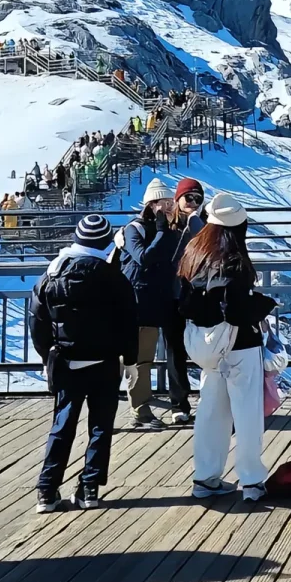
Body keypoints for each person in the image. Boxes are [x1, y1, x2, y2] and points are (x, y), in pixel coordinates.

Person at [29, 212, 139, 512]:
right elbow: (129, 322)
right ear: (105, 243)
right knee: (101, 425)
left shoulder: (53, 272)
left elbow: (37, 320)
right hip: (104, 361)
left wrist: (47, 355)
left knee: (62, 423)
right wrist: (130, 359)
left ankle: (47, 490)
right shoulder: (113, 275)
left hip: (65, 360)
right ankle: (89, 488)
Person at [178, 193, 275, 503]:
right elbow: (236, 311)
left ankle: (205, 477)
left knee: (211, 413)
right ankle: (252, 481)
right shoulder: (234, 260)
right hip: (240, 344)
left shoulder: (194, 252)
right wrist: (263, 305)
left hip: (207, 346)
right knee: (247, 414)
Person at [119, 177, 180, 431]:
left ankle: (140, 408)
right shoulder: (134, 229)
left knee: (144, 358)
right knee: (129, 358)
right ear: (151, 205)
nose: (169, 207)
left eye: (171, 202)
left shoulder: (167, 229)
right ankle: (121, 410)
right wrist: (163, 231)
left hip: (155, 301)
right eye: (164, 203)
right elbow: (142, 258)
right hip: (134, 301)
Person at [162, 177, 207, 424]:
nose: (193, 202)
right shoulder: (165, 225)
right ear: (178, 198)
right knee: (175, 350)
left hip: (199, 294)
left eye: (198, 198)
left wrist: (196, 222)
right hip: (172, 295)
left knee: (207, 348)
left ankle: (210, 399)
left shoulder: (204, 223)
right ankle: (179, 404)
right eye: (188, 197)